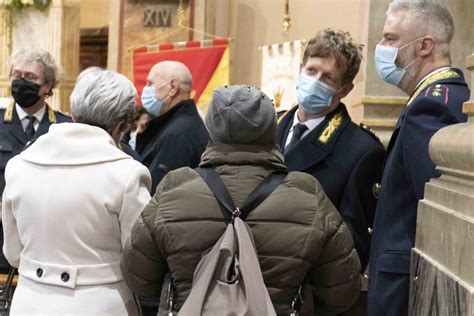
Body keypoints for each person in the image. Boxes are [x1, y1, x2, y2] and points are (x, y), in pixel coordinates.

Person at [121, 85, 362, 315]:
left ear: (211, 128)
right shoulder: (307, 194)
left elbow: (139, 277)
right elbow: (341, 292)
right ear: (270, 129)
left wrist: (185, 290)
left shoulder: (176, 187)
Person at [1, 67, 152, 315]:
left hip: (30, 300)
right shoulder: (128, 174)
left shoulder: (20, 165)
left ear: (72, 112)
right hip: (99, 303)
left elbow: (13, 253)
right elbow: (141, 260)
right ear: (120, 125)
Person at [367, 1, 470, 315]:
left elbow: (436, 212)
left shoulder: (429, 108)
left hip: (405, 288)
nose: (381, 49)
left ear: (425, 46)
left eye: (391, 39)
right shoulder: (454, 95)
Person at [276, 29, 385, 271]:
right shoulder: (268, 128)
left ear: (344, 89)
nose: (314, 82)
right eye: (311, 70)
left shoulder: (362, 152)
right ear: (300, 67)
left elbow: (352, 245)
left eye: (327, 78)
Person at [0, 49, 72, 274]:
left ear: (48, 86)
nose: (21, 82)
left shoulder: (64, 128)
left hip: (47, 243)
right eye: (17, 75)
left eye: (30, 77)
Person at [136, 60, 209, 194]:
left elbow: (157, 194)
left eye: (150, 84)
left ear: (173, 87)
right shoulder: (178, 124)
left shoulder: (178, 134)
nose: (145, 89)